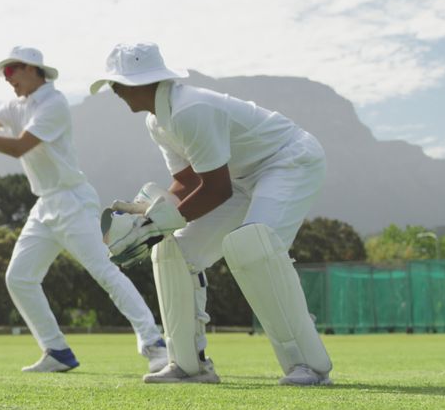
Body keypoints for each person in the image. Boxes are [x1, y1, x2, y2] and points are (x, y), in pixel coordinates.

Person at [0, 46, 169, 374]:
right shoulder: (18, 104)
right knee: (18, 278)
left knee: (105, 271)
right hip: (45, 204)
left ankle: (154, 344)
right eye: (4, 73)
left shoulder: (55, 103)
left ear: (31, 69)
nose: (7, 79)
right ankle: (57, 351)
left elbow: (20, 145)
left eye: (10, 71)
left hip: (73, 200)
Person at [90, 42, 333, 385]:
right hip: (238, 175)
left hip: (288, 160)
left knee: (255, 248)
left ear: (145, 82)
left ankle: (309, 366)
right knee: (175, 252)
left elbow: (216, 190)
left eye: (119, 82)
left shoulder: (191, 109)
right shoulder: (157, 121)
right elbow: (186, 179)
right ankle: (189, 365)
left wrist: (155, 225)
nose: (114, 90)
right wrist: (148, 220)